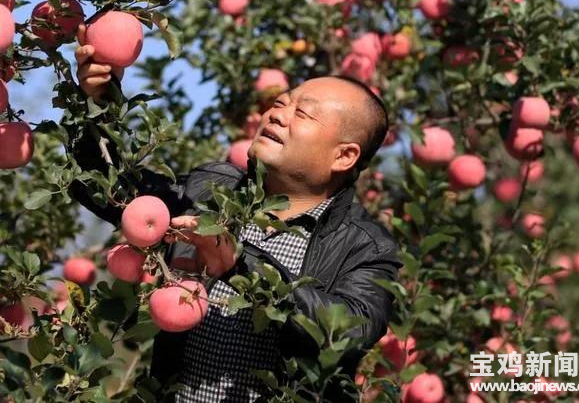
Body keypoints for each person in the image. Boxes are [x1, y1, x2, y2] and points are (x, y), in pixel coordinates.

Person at [69, 24, 402, 402]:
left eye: (303, 114)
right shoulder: (210, 190)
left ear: (344, 156)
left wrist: (241, 265)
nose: (277, 114)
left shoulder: (367, 246)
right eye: (280, 103)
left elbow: (345, 332)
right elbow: (106, 188)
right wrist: (96, 103)